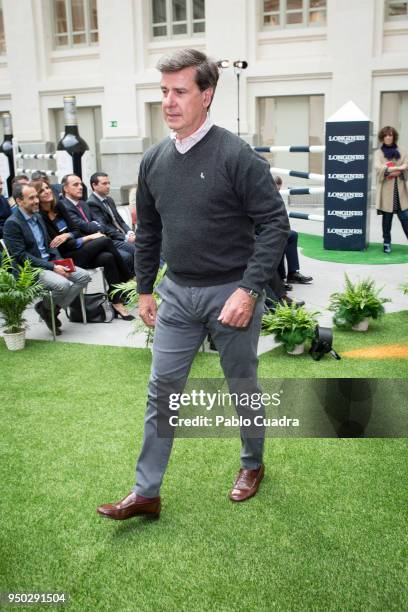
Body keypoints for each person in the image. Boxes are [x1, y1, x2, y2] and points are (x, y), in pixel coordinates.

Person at [97, 48, 290, 521]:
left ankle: (252, 463)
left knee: (241, 385)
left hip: (232, 291)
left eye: (179, 91)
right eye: (163, 91)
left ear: (206, 95)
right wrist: (145, 289)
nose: (168, 101)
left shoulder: (236, 155)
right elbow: (150, 232)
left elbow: (274, 224)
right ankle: (146, 492)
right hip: (177, 294)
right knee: (161, 388)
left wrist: (248, 290)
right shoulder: (154, 160)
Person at [32, 180, 135, 320]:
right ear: (36, 196)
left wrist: (67, 234)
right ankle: (128, 278)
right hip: (65, 258)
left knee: (107, 258)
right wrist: (89, 238)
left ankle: (116, 302)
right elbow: (58, 246)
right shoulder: (40, 217)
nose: (47, 191)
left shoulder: (59, 206)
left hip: (78, 250)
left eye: (47, 188)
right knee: (104, 240)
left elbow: (75, 230)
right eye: (42, 190)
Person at [3, 183, 91, 335]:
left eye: (36, 197)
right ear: (19, 201)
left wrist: (60, 262)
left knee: (84, 276)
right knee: (63, 285)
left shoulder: (38, 217)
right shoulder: (12, 224)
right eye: (31, 198)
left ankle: (47, 309)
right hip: (30, 269)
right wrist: (53, 268)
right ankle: (48, 309)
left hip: (50, 263)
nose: (37, 201)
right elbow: (21, 256)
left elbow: (50, 245)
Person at [86, 172, 136, 275]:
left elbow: (120, 221)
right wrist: (125, 237)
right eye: (104, 183)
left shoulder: (109, 200)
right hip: (111, 239)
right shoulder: (91, 203)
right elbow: (104, 227)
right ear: (94, 185)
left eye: (109, 183)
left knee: (150, 244)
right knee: (137, 250)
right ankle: (134, 282)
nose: (108, 186)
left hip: (123, 235)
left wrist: (130, 232)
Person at [273, 176, 313, 288]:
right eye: (276, 189)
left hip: (275, 228)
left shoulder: (275, 197)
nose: (278, 192)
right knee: (280, 237)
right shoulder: (261, 197)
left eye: (279, 189)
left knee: (292, 234)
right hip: (262, 231)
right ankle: (280, 279)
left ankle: (292, 273)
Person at [374, 125, 408, 253]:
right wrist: (397, 168)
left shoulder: (403, 151)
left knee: (406, 218)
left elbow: (406, 167)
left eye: (391, 135)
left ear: (394, 137)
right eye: (386, 135)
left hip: (400, 192)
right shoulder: (378, 153)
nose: (388, 137)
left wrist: (389, 169)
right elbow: (378, 168)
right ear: (382, 137)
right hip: (386, 193)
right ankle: (386, 243)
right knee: (386, 220)